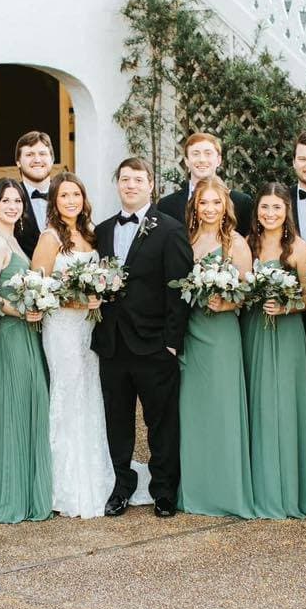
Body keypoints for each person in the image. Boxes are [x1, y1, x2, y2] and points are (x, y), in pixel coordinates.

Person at [93, 157, 195, 518]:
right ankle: (121, 486)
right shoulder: (102, 230)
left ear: (151, 184)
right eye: (125, 179)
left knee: (161, 421)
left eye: (138, 179)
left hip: (155, 344)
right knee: (117, 420)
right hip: (112, 343)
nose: (131, 185)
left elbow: (179, 289)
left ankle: (164, 490)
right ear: (117, 184)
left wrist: (172, 341)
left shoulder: (170, 229)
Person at [31, 172, 122, 518]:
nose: (71, 200)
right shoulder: (50, 237)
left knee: (89, 392)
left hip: (89, 328)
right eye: (64, 195)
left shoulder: (89, 233)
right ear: (54, 200)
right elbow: (39, 288)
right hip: (63, 328)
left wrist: (96, 295)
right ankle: (62, 484)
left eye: (76, 195)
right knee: (67, 393)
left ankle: (94, 474)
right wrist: (75, 301)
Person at [0, 179, 53, 524]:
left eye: (16, 200)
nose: (12, 205)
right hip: (8, 336)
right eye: (4, 200)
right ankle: (11, 495)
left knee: (27, 404)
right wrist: (17, 310)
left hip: (24, 333)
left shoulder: (13, 241)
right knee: (13, 408)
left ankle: (26, 489)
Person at [177, 177, 255, 518]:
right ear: (195, 207)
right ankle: (195, 488)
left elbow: (248, 290)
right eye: (203, 203)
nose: (209, 209)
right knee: (192, 411)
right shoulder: (185, 239)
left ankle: (225, 491)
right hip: (191, 331)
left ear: (226, 206)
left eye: (215, 203)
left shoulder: (235, 243)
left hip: (222, 333)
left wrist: (228, 304)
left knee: (223, 409)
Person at [242, 182, 306, 519]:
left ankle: (288, 489)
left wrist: (287, 306)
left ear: (287, 212)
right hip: (254, 331)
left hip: (286, 335)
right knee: (258, 402)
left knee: (285, 404)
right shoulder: (246, 244)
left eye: (276, 208)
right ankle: (259, 485)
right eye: (264, 207)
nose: (269, 214)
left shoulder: (299, 248)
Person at [157, 132, 254, 237]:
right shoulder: (166, 206)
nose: (202, 160)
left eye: (208, 153)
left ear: (218, 160)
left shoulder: (242, 203)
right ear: (186, 161)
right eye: (195, 154)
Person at [11, 130, 56, 255]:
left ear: (52, 159)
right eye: (29, 154)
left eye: (42, 154)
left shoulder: (68, 195)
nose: (37, 159)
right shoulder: (7, 198)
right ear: (18, 162)